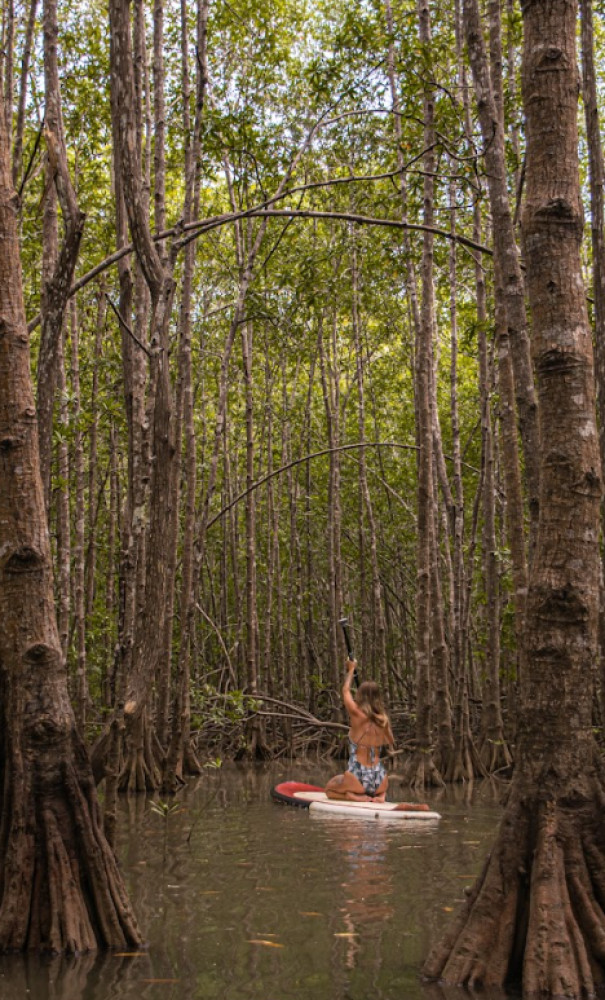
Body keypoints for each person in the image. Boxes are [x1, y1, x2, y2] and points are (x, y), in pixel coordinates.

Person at [325, 658, 394, 802]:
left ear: (360, 695)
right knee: (341, 779)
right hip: (380, 777)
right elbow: (390, 741)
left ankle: (354, 796)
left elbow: (345, 691)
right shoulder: (384, 719)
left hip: (357, 777)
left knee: (329, 790)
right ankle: (381, 796)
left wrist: (351, 669)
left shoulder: (356, 713)